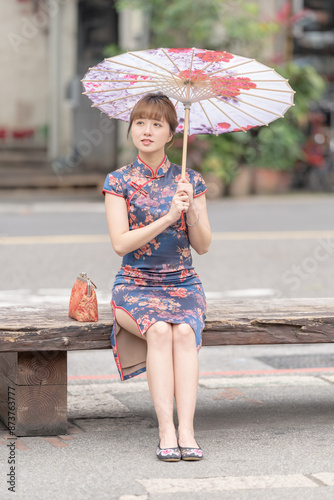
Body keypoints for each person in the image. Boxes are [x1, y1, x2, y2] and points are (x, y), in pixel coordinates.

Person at [102, 93, 212, 462]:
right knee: (161, 330)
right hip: (134, 284)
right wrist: (167, 217)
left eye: (156, 124)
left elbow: (204, 246)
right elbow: (120, 244)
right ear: (131, 128)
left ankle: (187, 430)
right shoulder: (118, 181)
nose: (146, 131)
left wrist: (191, 208)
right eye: (140, 122)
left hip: (183, 284)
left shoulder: (190, 180)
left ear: (172, 134)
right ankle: (166, 428)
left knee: (183, 331)